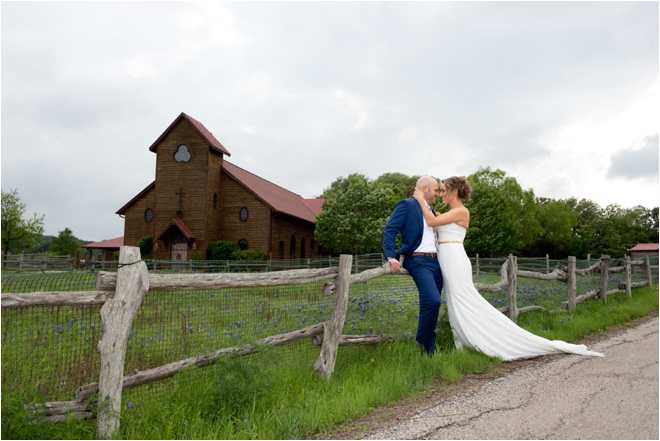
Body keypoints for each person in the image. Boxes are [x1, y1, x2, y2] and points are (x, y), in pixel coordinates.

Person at [412, 176, 603, 360]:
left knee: (464, 299)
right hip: (446, 259)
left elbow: (431, 221)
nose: (440, 194)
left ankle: (487, 339)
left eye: (443, 190)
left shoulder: (462, 211)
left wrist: (420, 199)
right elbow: (433, 220)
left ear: (454, 191)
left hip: (455, 259)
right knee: (455, 302)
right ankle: (462, 341)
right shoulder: (448, 213)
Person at [383, 176, 443, 355]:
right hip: (417, 260)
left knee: (433, 304)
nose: (438, 194)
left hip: (435, 262)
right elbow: (390, 229)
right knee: (433, 300)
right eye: (435, 190)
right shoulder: (407, 205)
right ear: (425, 189)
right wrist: (391, 257)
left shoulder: (431, 211)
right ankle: (421, 340)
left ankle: (429, 348)